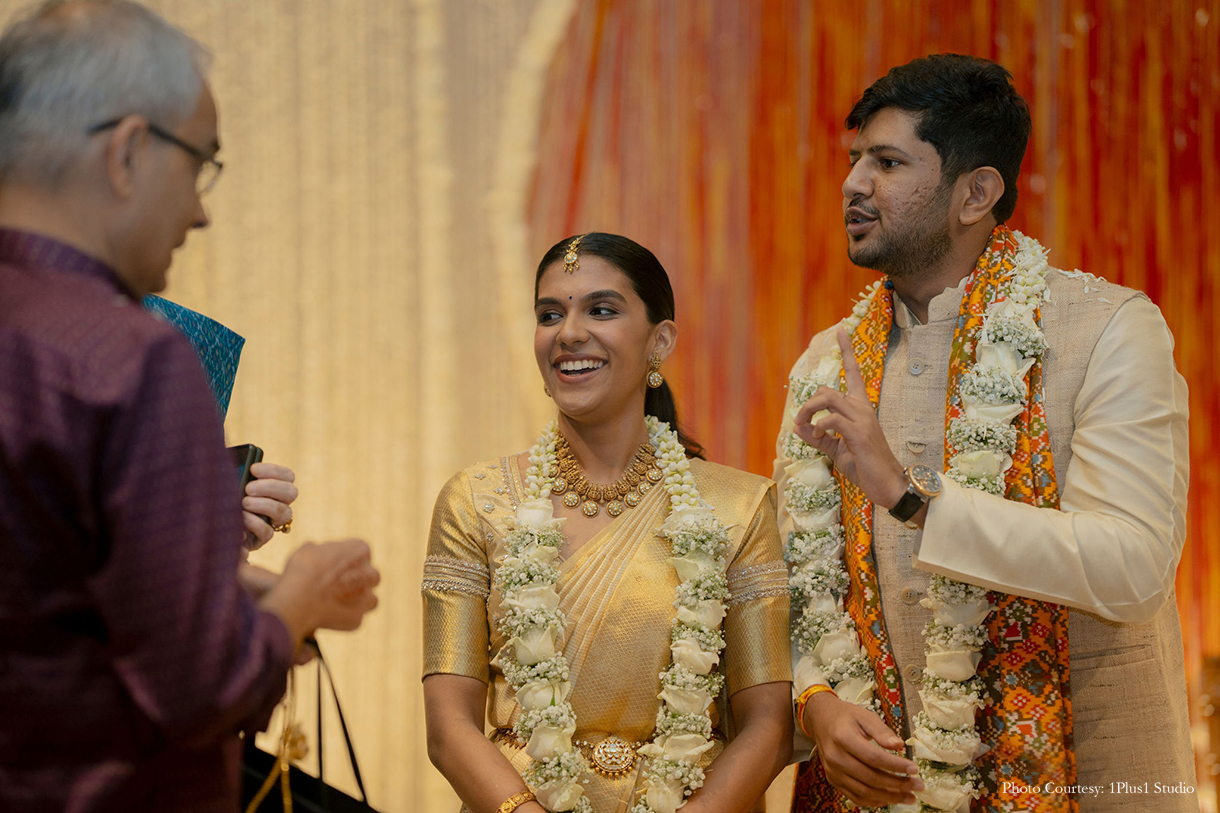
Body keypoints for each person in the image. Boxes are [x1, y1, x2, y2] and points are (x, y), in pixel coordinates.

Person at [775, 54, 1195, 812]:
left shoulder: (1107, 330)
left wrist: (911, 500)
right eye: (853, 160)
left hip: (1092, 780)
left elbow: (1133, 566)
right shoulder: (824, 363)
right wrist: (817, 701)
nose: (852, 184)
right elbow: (806, 588)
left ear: (976, 191)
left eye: (887, 161)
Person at [0, 2, 381, 811]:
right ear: (129, 151)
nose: (201, 209)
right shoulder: (128, 358)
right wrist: (301, 596)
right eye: (201, 162)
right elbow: (204, 688)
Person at [422, 233, 793, 813]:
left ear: (659, 340)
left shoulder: (736, 508)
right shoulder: (478, 501)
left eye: (601, 309)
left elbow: (766, 725)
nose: (569, 333)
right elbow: (449, 727)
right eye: (550, 314)